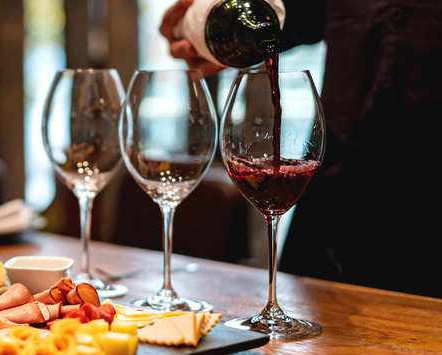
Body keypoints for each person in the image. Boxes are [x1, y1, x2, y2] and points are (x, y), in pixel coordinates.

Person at [160, 0, 442, 298]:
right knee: (307, 329)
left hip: (426, 204)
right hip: (332, 194)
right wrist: (221, 33)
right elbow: (301, 13)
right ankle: (272, 309)